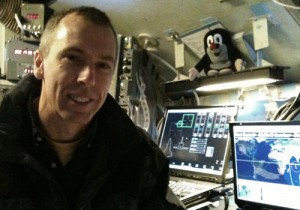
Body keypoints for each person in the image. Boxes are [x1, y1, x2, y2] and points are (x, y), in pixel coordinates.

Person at [0, 6, 185, 210]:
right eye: (72, 58)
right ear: (39, 63)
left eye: (103, 65)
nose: (88, 78)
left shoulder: (140, 157)